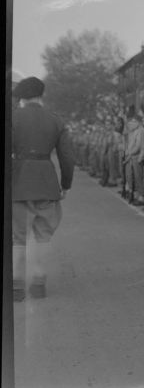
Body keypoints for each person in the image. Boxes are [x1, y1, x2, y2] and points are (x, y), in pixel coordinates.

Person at [12, 77, 74, 301]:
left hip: (17, 182)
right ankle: (39, 282)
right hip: (47, 182)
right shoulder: (56, 120)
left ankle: (17, 284)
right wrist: (66, 184)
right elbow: (67, 157)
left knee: (17, 237)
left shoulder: (13, 118)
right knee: (43, 235)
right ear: (41, 95)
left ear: (22, 98)